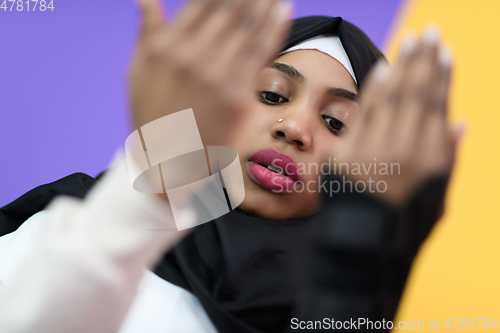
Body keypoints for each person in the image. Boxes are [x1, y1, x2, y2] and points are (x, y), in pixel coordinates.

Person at [0, 0, 463, 332]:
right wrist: (157, 169)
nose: (295, 127)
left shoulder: (343, 307)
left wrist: (360, 270)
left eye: (336, 124)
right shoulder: (71, 224)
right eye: (272, 95)